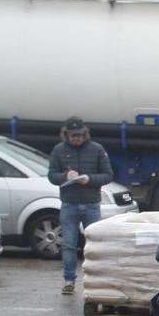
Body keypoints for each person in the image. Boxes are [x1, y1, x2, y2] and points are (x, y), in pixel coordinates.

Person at [46, 116, 113, 296]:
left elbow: (108, 175)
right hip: (69, 204)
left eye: (79, 135)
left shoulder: (97, 149)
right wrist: (64, 177)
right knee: (68, 244)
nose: (76, 138)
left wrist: (89, 179)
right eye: (72, 136)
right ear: (66, 134)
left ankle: (97, 279)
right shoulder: (58, 150)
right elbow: (51, 175)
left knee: (94, 243)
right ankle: (69, 280)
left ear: (85, 133)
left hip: (91, 203)